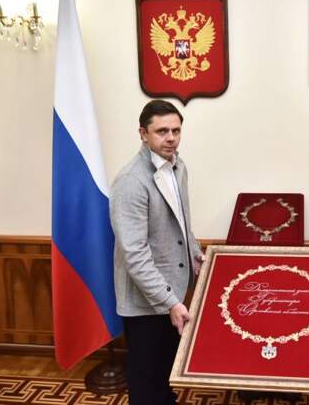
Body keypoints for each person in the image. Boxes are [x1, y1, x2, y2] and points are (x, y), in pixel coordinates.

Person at [110, 99, 205, 405]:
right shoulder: (130, 182)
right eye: (162, 131)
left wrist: (196, 253)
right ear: (143, 133)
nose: (171, 138)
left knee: (165, 370)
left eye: (176, 130)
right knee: (146, 378)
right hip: (146, 300)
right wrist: (169, 301)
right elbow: (134, 254)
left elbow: (182, 221)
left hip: (173, 293)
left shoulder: (178, 165)